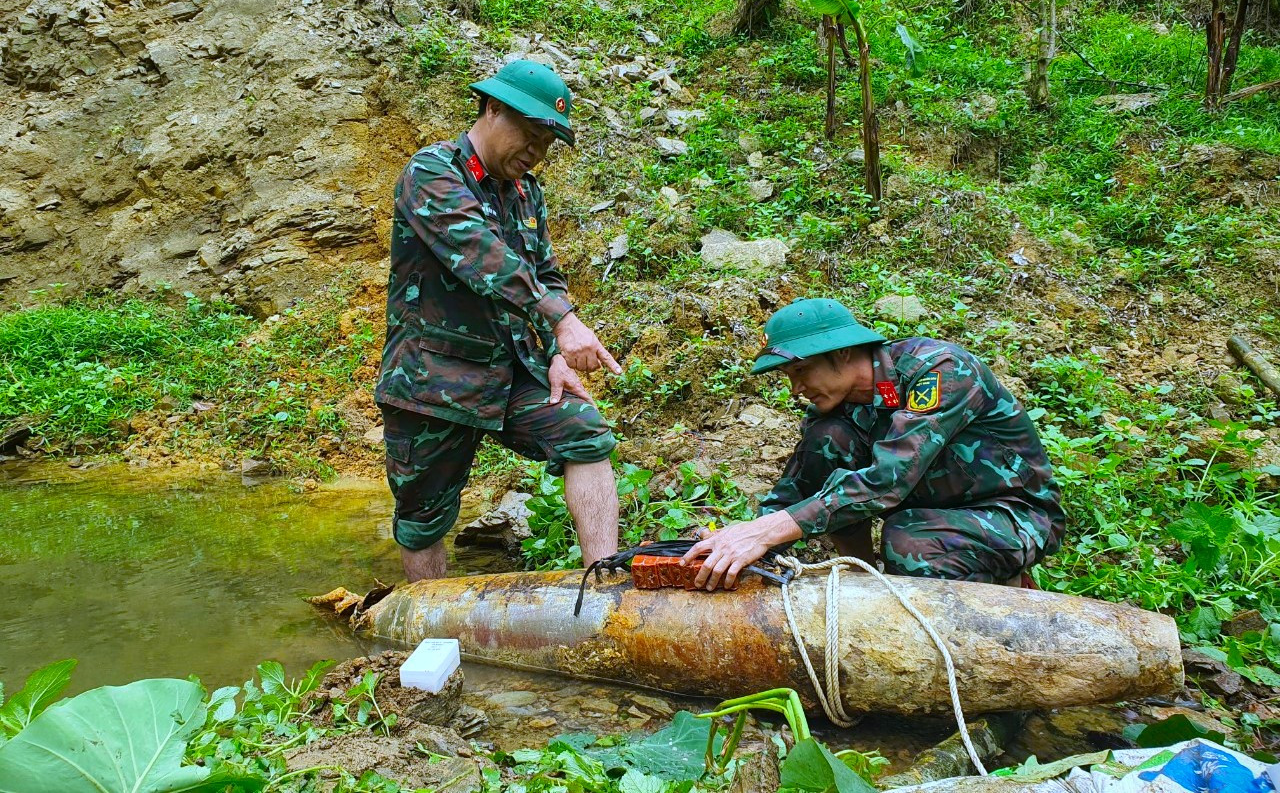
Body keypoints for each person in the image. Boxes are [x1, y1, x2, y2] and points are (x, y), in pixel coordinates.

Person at [375, 60, 622, 581]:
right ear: (491, 108)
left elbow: (546, 274)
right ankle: (431, 633)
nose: (535, 151)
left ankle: (604, 584)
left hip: (507, 373)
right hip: (431, 381)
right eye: (528, 134)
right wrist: (562, 323)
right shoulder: (433, 172)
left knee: (585, 432)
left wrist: (556, 354)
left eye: (546, 143)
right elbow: (483, 256)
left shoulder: (526, 194)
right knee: (423, 520)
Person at [682, 298, 1063, 591]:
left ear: (842, 352)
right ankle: (865, 583)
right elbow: (796, 491)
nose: (795, 389)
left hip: (1011, 514)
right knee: (828, 441)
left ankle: (999, 602)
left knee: (909, 539)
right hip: (924, 509)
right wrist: (744, 533)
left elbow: (887, 480)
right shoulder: (840, 409)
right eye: (788, 376)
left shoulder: (939, 371)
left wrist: (768, 531)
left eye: (800, 371)